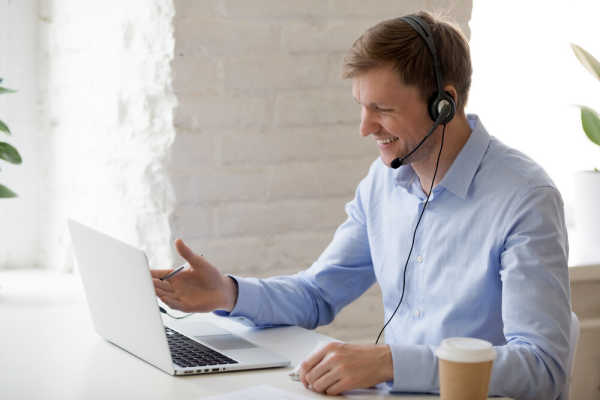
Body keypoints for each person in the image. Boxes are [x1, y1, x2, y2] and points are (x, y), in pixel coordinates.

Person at [152, 11, 570, 400]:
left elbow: (543, 366)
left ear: (444, 104)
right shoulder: (383, 183)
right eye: (362, 107)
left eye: (383, 110)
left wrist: (391, 362)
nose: (365, 128)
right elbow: (317, 294)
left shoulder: (525, 199)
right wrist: (228, 292)